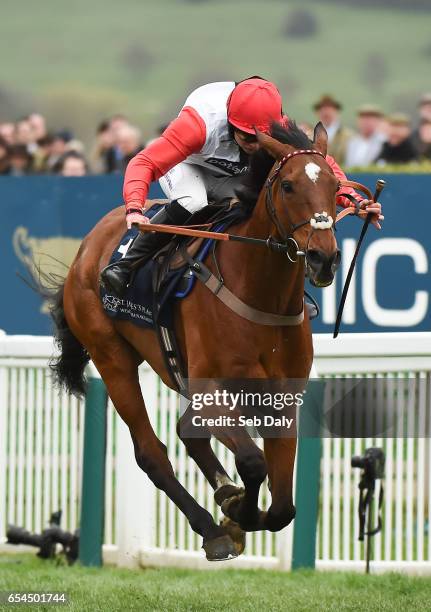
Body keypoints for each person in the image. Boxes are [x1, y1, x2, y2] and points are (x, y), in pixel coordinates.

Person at [101, 78, 383, 296]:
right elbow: (144, 162)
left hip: (230, 173)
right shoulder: (197, 124)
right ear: (230, 120)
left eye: (258, 137)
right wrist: (135, 207)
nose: (253, 144)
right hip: (188, 165)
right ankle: (127, 265)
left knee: (263, 205)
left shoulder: (276, 126)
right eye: (246, 135)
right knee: (193, 201)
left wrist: (354, 201)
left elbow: (319, 166)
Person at [312, 94, 353, 165]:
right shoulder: (311, 135)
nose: (325, 112)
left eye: (329, 108)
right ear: (317, 113)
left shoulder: (348, 136)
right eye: (322, 109)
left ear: (337, 111)